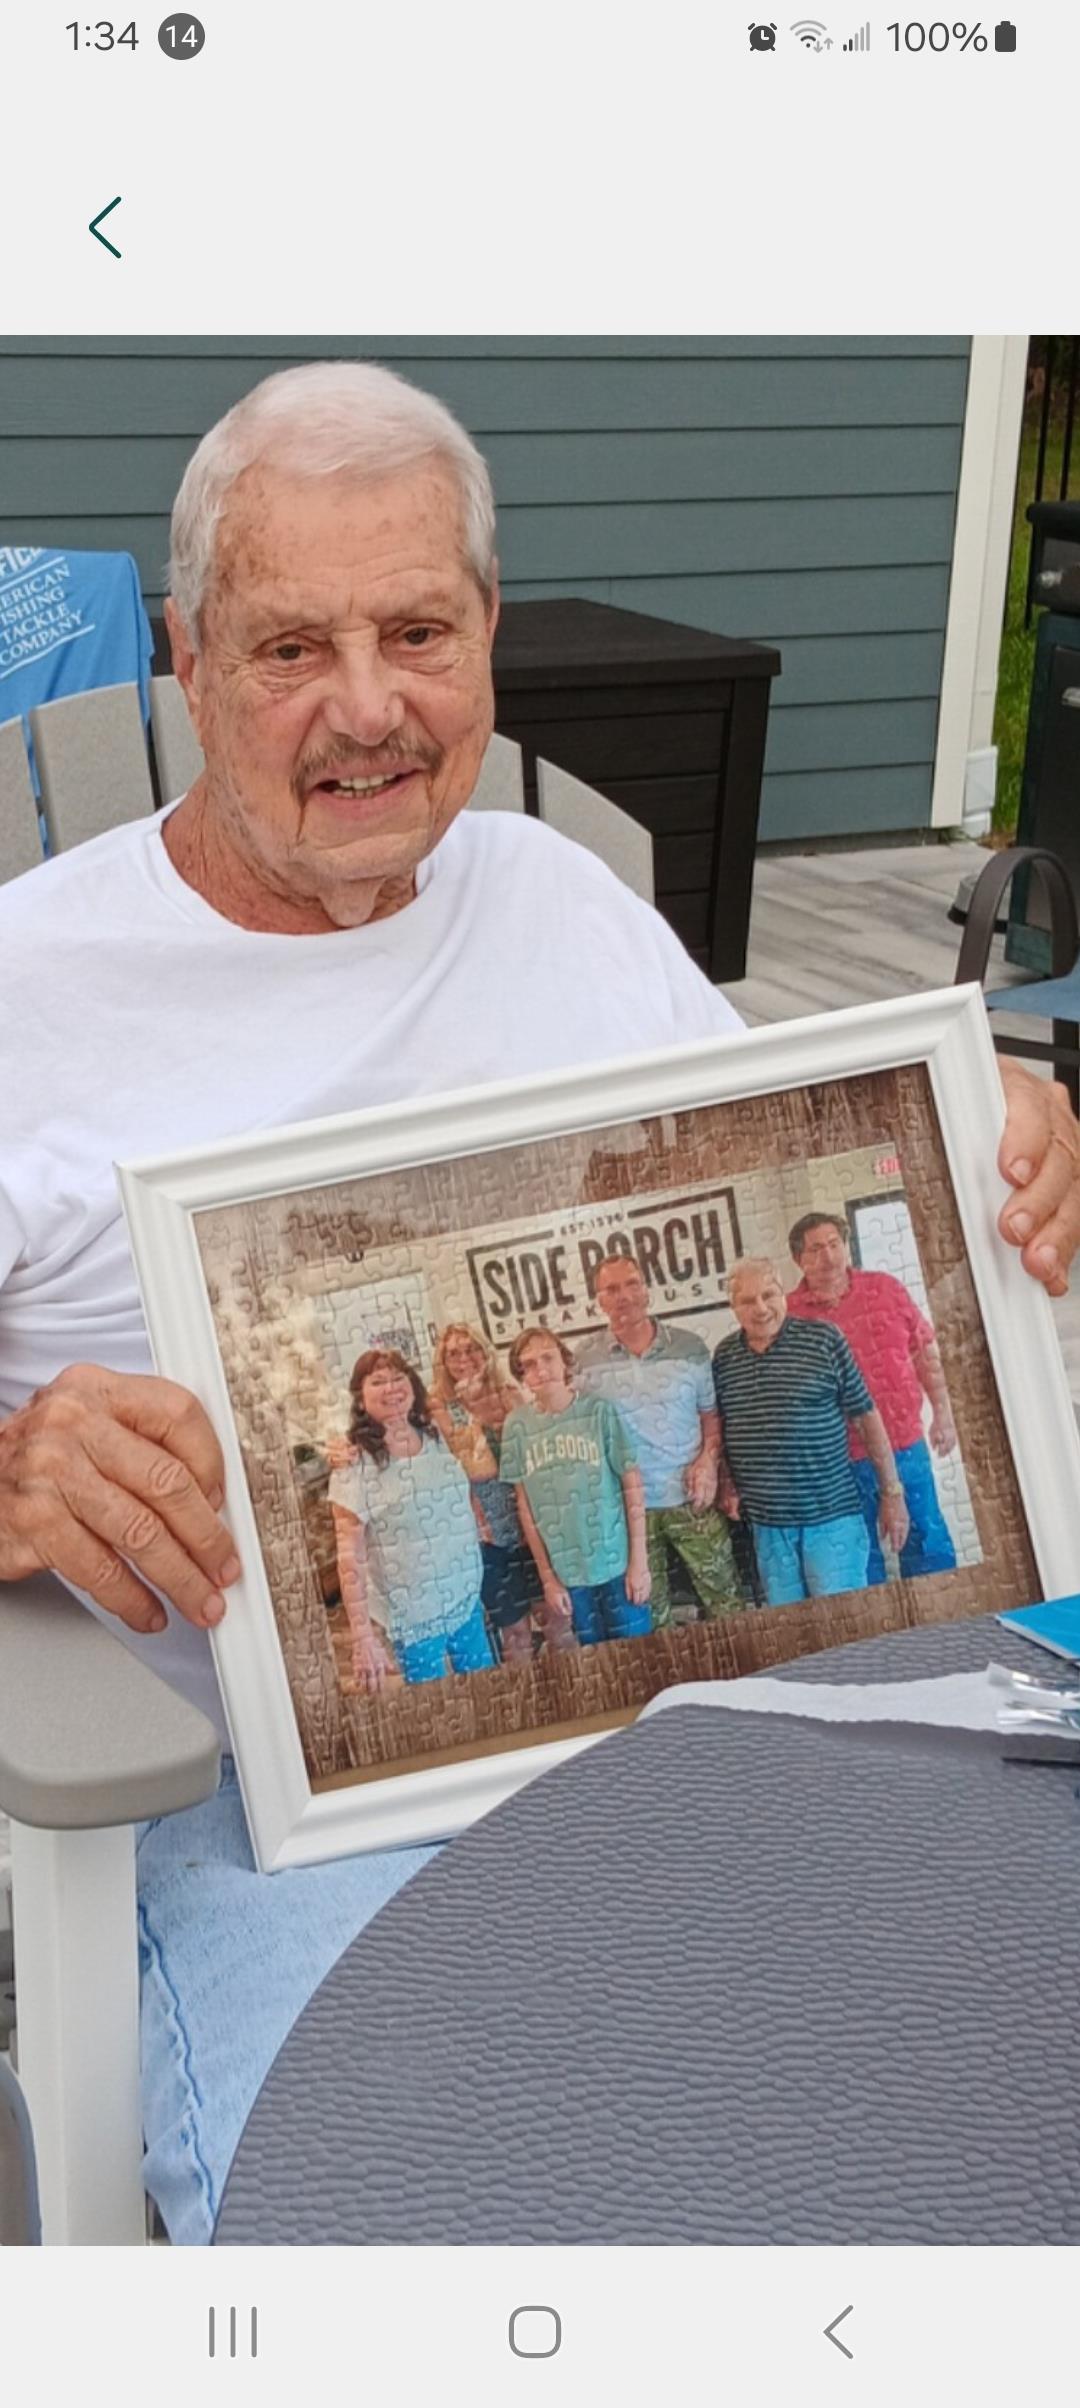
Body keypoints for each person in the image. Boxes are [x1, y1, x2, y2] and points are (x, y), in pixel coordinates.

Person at [711, 1258, 909, 1606]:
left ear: (783, 1295)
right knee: (793, 1634)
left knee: (846, 1628)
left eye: (769, 1295)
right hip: (768, 1528)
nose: (760, 1308)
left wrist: (892, 1492)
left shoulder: (824, 1339)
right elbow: (724, 1427)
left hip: (832, 1519)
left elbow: (866, 1417)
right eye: (747, 1300)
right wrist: (727, 1481)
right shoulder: (724, 1358)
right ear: (733, 1307)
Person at [786, 1211, 958, 1584]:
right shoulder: (787, 1316)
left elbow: (925, 1353)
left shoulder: (886, 1289)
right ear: (798, 1259)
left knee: (928, 1547)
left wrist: (943, 1412)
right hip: (837, 1462)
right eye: (816, 1249)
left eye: (835, 1244)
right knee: (860, 1565)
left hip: (905, 1446)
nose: (829, 1256)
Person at [574, 1253, 746, 1623]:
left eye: (632, 1284)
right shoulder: (584, 1360)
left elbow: (711, 1418)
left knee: (727, 1603)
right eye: (611, 1289)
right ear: (598, 1300)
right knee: (650, 1616)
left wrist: (708, 1462)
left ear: (647, 1290)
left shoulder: (689, 1346)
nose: (624, 1296)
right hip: (627, 1511)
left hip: (692, 1498)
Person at [327, 1348, 493, 1689]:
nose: (391, 1388)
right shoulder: (353, 1464)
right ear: (360, 1398)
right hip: (414, 1618)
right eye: (378, 1381)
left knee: (491, 1696)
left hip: (465, 1598)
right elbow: (349, 1558)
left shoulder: (434, 1434)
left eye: (398, 1378)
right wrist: (362, 1639)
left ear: (413, 1385)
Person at [500, 1329, 652, 1645]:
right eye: (528, 1364)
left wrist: (640, 1562)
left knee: (640, 1655)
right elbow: (525, 1508)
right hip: (568, 1575)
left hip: (617, 1565)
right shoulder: (516, 1426)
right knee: (597, 1662)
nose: (540, 1369)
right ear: (521, 1376)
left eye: (547, 1358)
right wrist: (548, 1578)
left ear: (565, 1361)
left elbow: (632, 1484)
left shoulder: (598, 1411)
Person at [429, 1322, 537, 1661]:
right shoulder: (440, 1407)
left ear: (485, 1351)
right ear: (443, 1362)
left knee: (556, 1618)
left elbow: (533, 1454)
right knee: (515, 1630)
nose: (465, 1358)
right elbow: (459, 1472)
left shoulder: (509, 1392)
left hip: (533, 1525)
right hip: (486, 1535)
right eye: (454, 1353)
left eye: (472, 1348)